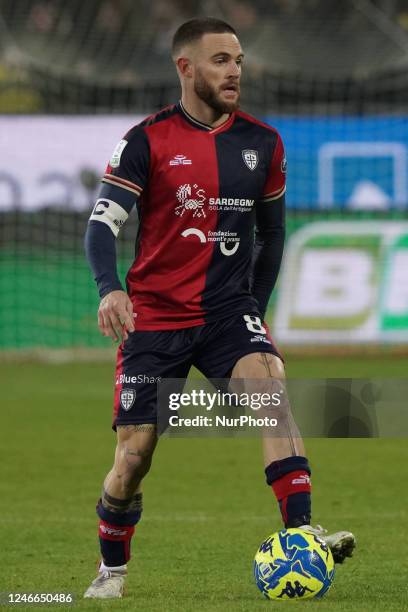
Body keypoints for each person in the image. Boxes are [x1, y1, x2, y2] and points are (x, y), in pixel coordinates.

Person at [83, 17, 355, 599]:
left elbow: (273, 236)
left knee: (270, 391)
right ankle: (112, 569)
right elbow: (101, 226)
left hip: (228, 313)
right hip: (154, 318)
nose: (235, 71)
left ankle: (303, 535)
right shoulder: (145, 141)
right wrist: (110, 288)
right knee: (134, 459)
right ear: (185, 68)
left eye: (238, 60)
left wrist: (251, 313)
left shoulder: (263, 142)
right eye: (220, 60)